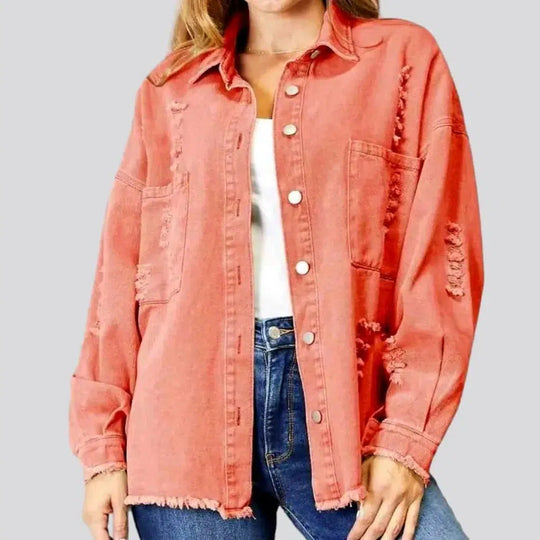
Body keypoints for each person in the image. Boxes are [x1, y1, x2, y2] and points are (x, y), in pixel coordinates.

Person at [68, 0, 484, 538]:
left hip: (347, 410)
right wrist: (103, 447)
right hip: (186, 421)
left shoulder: (403, 59)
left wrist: (406, 439)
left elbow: (442, 256)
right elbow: (121, 268)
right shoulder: (171, 88)